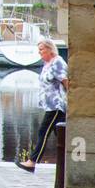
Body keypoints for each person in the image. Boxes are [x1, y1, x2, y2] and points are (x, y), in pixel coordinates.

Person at [16, 39, 67, 173]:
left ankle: (32, 162)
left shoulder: (57, 62)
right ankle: (70, 161)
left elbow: (66, 82)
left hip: (57, 105)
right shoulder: (47, 64)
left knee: (43, 131)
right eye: (39, 50)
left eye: (42, 50)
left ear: (50, 49)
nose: (39, 53)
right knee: (62, 136)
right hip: (49, 105)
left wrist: (70, 102)